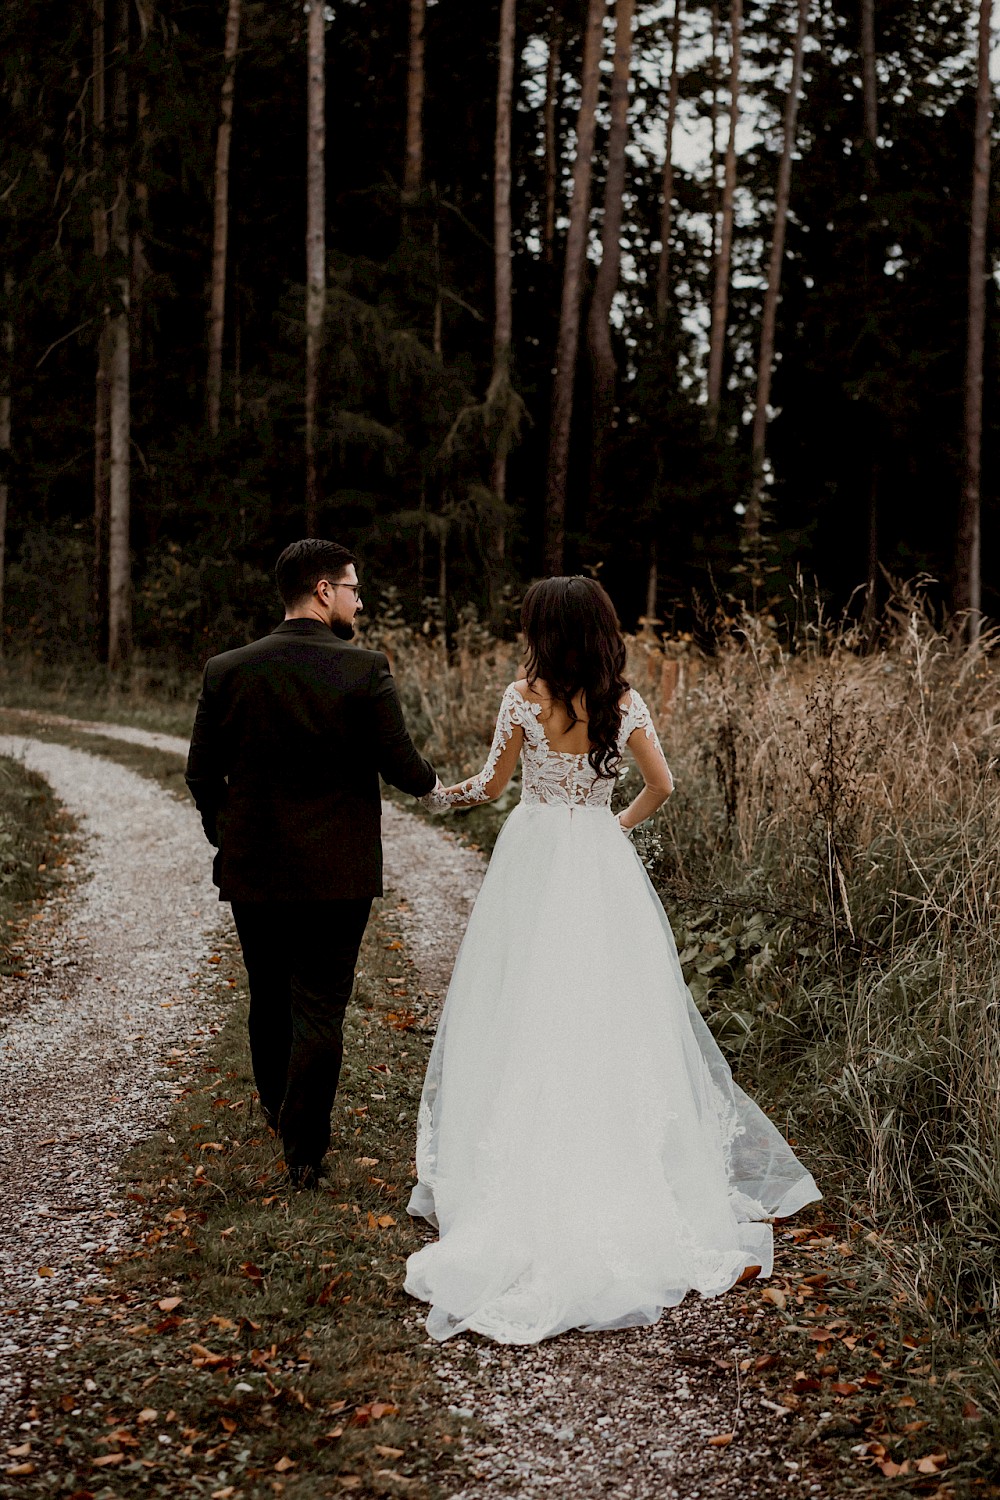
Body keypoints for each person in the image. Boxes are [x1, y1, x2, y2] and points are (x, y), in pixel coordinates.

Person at [405, 575, 820, 1345]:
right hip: (597, 857)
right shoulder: (624, 703)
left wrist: (434, 795)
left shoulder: (520, 697)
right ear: (600, 630)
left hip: (532, 854)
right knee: (611, 1008)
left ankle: (524, 1157)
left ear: (540, 630)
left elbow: (491, 787)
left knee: (526, 1003)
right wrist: (612, 826)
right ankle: (622, 1158)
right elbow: (662, 784)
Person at [185, 539, 438, 1188]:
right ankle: (304, 1155)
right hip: (337, 874)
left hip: (255, 869)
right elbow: (406, 772)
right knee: (320, 1007)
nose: (359, 600)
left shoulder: (228, 670)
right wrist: (444, 784)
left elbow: (200, 774)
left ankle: (279, 1109)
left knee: (268, 998)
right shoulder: (363, 670)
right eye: (354, 588)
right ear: (324, 590)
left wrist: (228, 834)